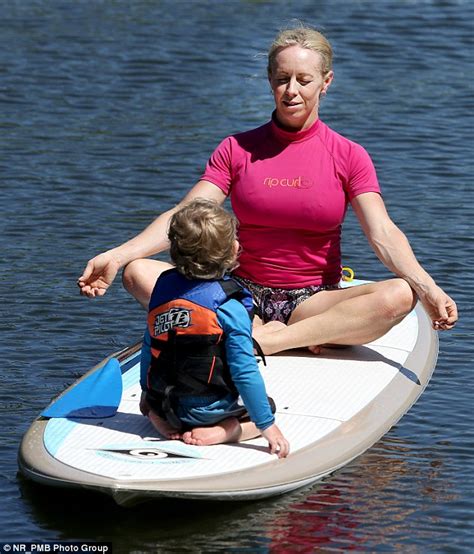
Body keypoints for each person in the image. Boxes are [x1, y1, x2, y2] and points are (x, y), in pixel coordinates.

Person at [78, 25, 457, 359]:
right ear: (270, 80)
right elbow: (185, 215)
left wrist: (428, 287)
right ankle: (262, 331)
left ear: (326, 82)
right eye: (281, 79)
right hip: (239, 297)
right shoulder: (237, 149)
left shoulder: (348, 155)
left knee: (399, 295)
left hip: (314, 301)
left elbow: (383, 234)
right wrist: (118, 254)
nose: (291, 91)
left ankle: (268, 341)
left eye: (303, 80)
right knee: (139, 272)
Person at [138, 198, 289, 457]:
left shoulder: (163, 291)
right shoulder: (228, 306)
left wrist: (147, 395)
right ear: (233, 249)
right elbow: (244, 372)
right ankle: (226, 431)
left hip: (164, 404)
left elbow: (148, 346)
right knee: (268, 408)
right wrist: (268, 426)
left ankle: (155, 416)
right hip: (207, 412)